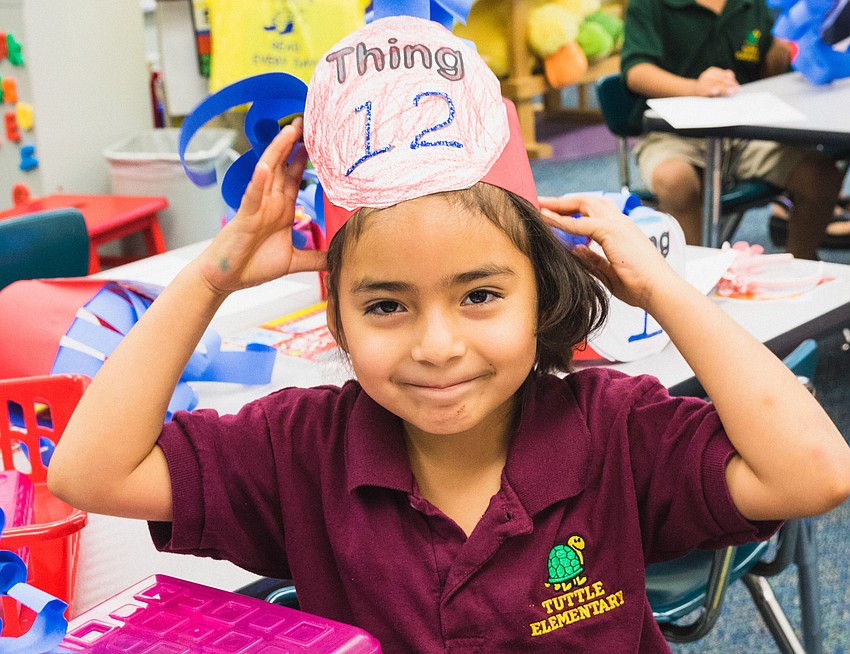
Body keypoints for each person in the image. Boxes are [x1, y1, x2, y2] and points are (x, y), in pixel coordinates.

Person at [48, 15, 850, 653]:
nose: (437, 346)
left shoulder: (613, 430)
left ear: (540, 293)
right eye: (387, 307)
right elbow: (90, 472)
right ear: (338, 316)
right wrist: (211, 275)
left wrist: (660, 286)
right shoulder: (303, 452)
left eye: (480, 295)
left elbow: (813, 471)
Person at [620, 0, 845, 260]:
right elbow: (635, 71)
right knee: (675, 181)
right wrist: (693, 88)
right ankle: (692, 281)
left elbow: (765, 74)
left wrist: (780, 51)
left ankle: (799, 267)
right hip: (673, 133)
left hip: (746, 133)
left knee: (821, 177)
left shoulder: (754, 4)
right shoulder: (648, 6)